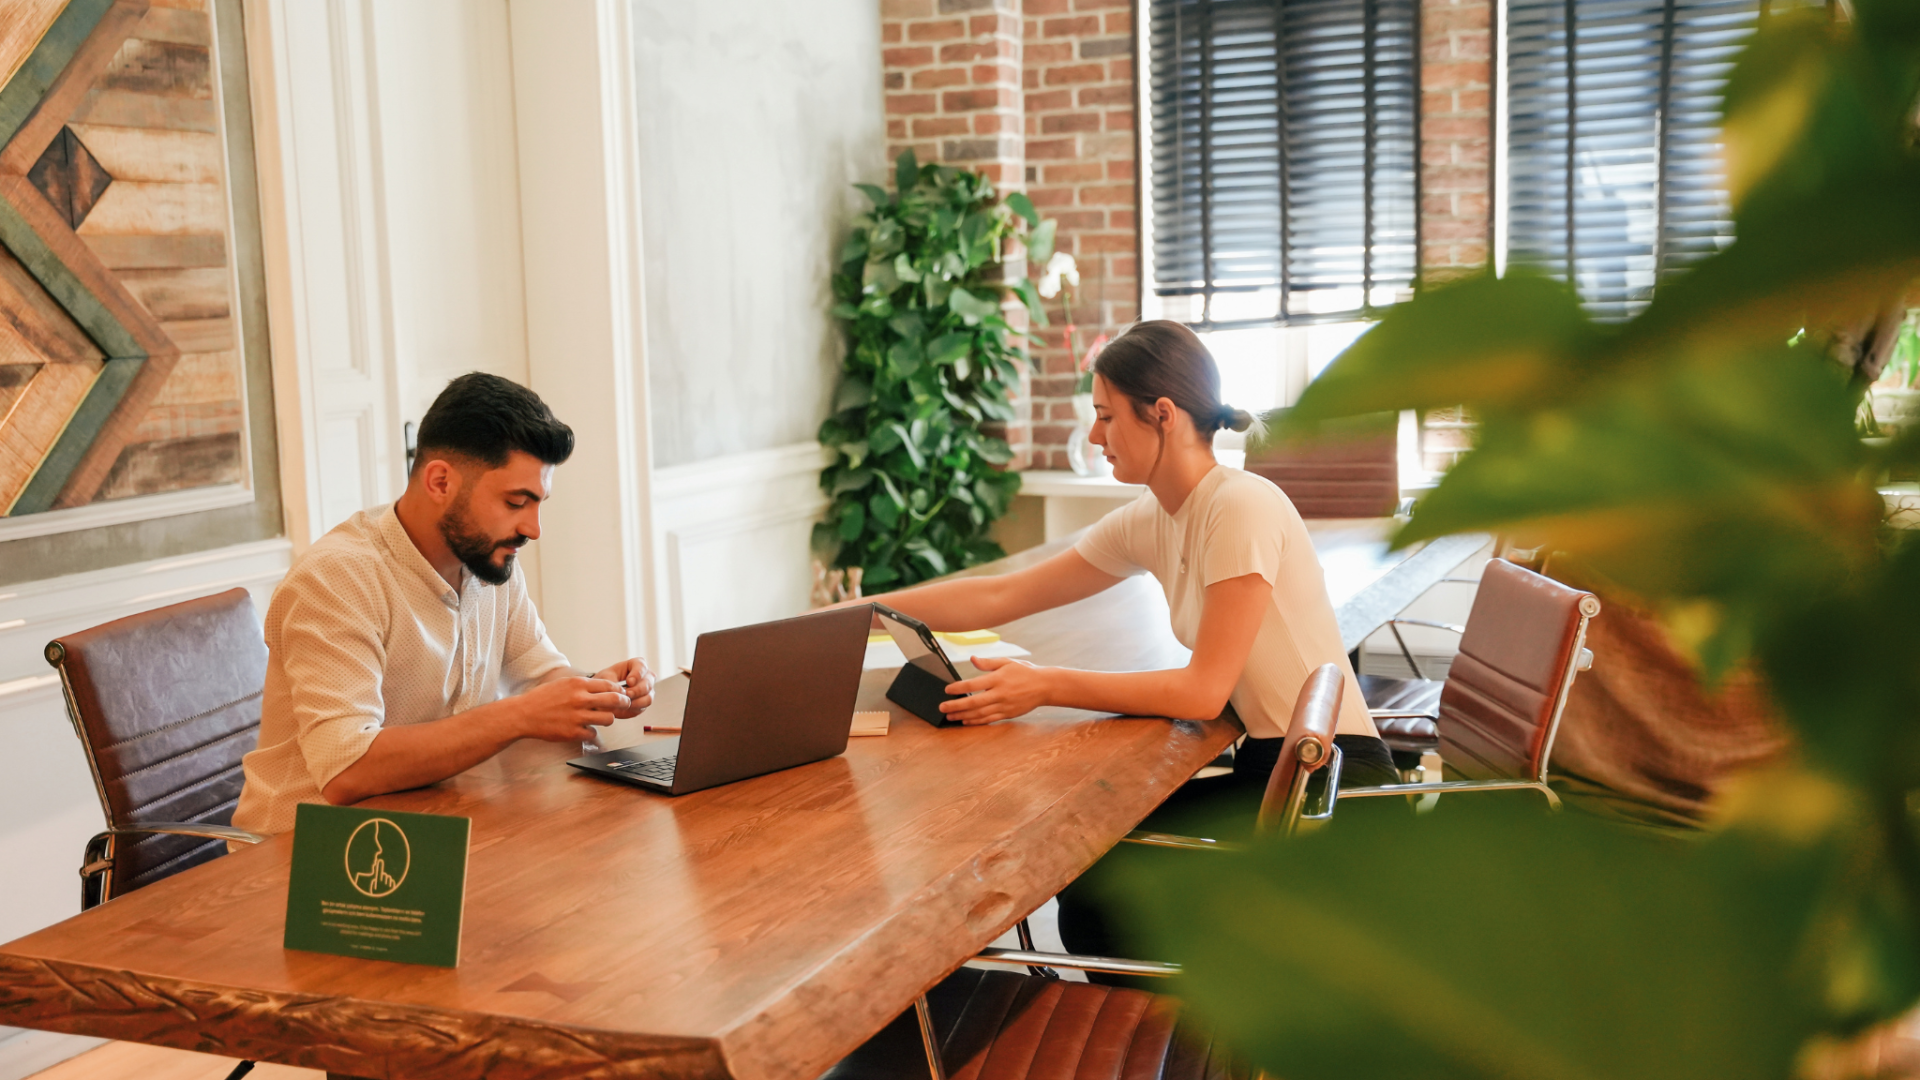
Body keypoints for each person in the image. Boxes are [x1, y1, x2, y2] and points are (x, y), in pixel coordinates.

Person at [862, 319, 1398, 969]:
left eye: (1106, 416)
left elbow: (1202, 692)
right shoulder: (1156, 516)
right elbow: (1001, 595)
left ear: (1163, 416)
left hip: (1337, 792)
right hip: (1273, 772)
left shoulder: (1240, 508)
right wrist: (859, 613)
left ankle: (1170, 1048)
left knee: (1098, 876)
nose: (1095, 436)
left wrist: (1044, 685)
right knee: (1091, 853)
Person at [234, 373, 654, 836]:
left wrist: (599, 691)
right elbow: (346, 770)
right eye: (517, 501)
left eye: (538, 503)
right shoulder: (337, 579)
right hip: (304, 858)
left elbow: (541, 676)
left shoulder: (489, 560)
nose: (533, 528)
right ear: (439, 481)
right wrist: (519, 715)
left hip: (427, 828)